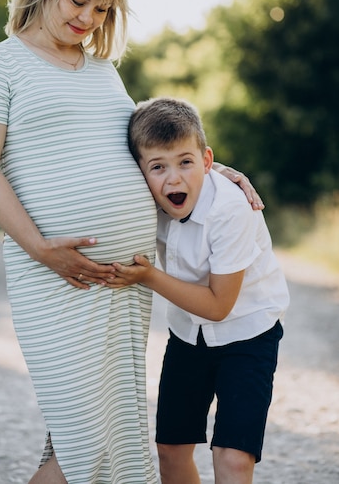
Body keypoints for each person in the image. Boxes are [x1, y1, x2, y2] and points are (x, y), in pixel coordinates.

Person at [0, 0, 263, 484]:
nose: (89, 18)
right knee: (80, 433)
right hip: (57, 278)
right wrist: (42, 249)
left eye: (102, 9)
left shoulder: (102, 71)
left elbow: (147, 150)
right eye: (78, 1)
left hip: (120, 287)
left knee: (106, 439)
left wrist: (212, 171)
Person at [112, 97, 290, 484]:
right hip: (187, 335)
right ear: (139, 173)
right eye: (158, 167)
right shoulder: (143, 200)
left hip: (248, 334)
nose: (174, 179)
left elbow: (218, 306)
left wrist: (148, 277)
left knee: (233, 456)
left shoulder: (230, 209)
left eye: (186, 162)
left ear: (207, 161)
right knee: (171, 451)